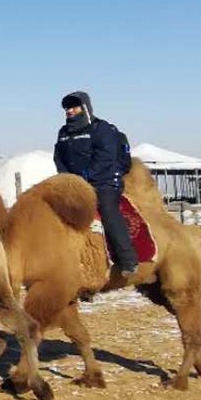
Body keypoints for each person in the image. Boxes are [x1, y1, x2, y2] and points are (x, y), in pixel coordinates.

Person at [55, 90, 138, 277]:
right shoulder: (63, 133)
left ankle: (128, 260)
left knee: (108, 211)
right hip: (76, 183)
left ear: (84, 107)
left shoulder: (102, 129)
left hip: (105, 181)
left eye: (74, 106)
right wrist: (67, 177)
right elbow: (59, 157)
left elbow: (106, 157)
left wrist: (88, 174)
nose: (69, 111)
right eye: (67, 107)